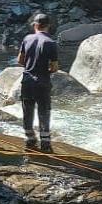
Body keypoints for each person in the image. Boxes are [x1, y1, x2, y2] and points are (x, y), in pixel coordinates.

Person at [18, 13, 59, 153]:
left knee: (27, 110)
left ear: (35, 25)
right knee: (44, 111)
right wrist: (47, 69)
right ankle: (45, 143)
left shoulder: (27, 39)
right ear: (48, 26)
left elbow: (20, 60)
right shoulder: (51, 43)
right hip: (43, 82)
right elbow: (54, 67)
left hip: (27, 81)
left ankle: (30, 139)